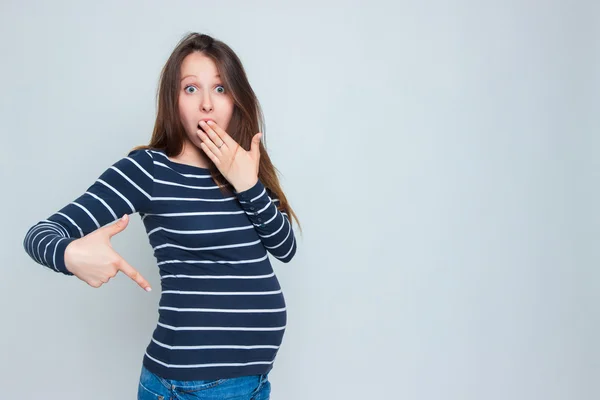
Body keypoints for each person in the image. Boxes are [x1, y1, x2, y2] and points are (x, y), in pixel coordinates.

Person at [22, 32, 300, 400]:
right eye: (190, 89)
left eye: (219, 89)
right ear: (173, 99)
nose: (206, 104)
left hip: (254, 383)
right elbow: (41, 233)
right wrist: (69, 255)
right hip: (189, 388)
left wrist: (248, 185)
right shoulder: (150, 169)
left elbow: (285, 247)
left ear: (236, 98)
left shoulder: (243, 165)